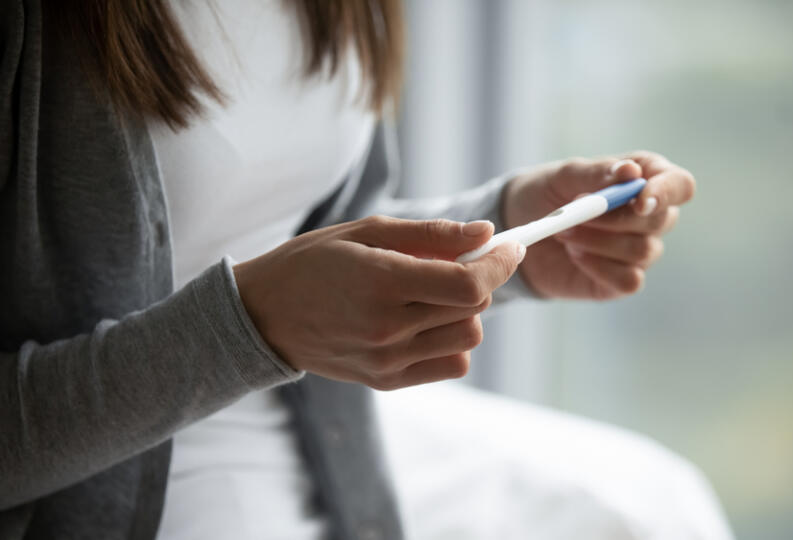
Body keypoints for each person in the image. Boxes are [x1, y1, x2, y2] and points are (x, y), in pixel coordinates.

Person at [0, 1, 721, 539]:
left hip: (325, 436)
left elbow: (301, 228)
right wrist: (248, 330)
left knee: (651, 506)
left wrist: (509, 229)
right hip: (103, 500)